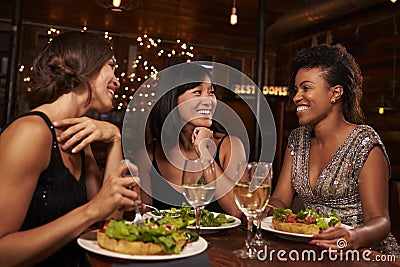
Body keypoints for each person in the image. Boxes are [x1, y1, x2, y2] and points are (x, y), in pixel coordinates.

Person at [0, 31, 139, 266]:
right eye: (111, 66)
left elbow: (110, 225)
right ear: (84, 67)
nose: (117, 80)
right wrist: (90, 211)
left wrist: (115, 138)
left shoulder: (78, 140)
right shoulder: (30, 132)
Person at [268, 43, 400, 257]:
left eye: (306, 88)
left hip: (364, 255)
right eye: (296, 89)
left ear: (335, 93)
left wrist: (353, 237)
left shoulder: (364, 143)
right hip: (313, 251)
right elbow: (280, 199)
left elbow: (380, 221)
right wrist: (263, 211)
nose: (296, 97)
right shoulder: (297, 139)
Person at [135, 63, 244, 218]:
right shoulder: (148, 156)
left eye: (211, 92)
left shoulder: (230, 146)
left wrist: (204, 153)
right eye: (197, 92)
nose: (208, 100)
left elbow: (237, 210)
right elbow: (145, 217)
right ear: (173, 100)